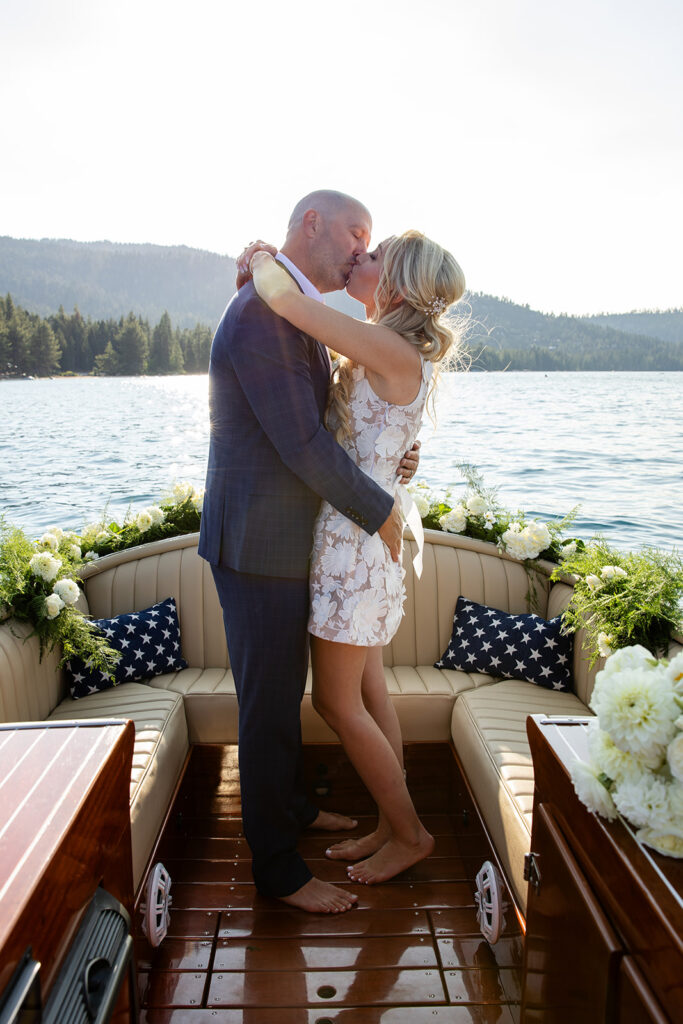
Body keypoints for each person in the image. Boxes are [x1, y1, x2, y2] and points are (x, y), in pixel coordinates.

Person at [198, 190, 420, 914]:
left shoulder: (289, 301)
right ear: (311, 224)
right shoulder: (267, 309)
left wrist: (392, 461)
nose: (363, 249)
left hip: (295, 542)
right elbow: (299, 442)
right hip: (257, 542)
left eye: (372, 241)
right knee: (267, 706)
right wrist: (378, 508)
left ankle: (291, 809)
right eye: (355, 232)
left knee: (289, 695)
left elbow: (337, 420)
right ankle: (278, 868)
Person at [249, 229, 466, 884]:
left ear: (393, 283)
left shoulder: (387, 345)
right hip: (362, 544)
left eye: (370, 258)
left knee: (336, 705)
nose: (357, 260)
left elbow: (291, 306)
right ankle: (388, 824)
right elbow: (380, 441)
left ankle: (409, 833)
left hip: (352, 551)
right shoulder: (397, 350)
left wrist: (261, 258)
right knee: (370, 695)